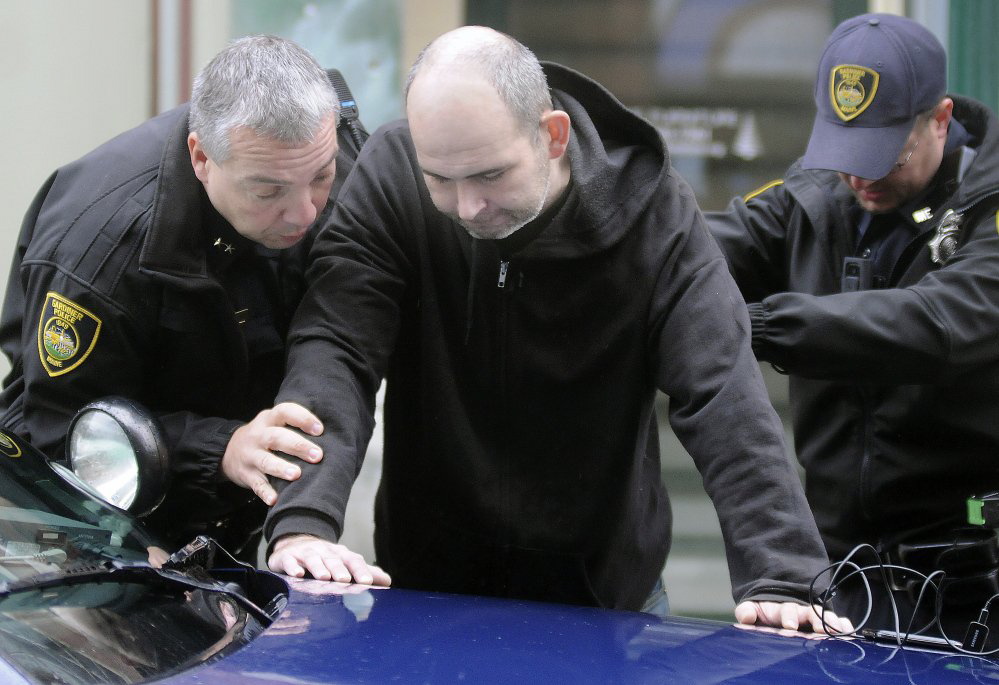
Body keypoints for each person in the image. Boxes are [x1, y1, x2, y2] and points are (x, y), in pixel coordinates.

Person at [258, 25, 849, 632]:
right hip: (428, 591)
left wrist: (782, 573)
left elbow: (723, 388)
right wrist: (304, 519)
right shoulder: (391, 177)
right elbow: (337, 347)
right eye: (441, 179)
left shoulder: (653, 216)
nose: (467, 208)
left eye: (489, 176)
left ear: (552, 136)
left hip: (605, 598)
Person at [0, 35, 366, 560]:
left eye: (321, 178)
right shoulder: (100, 249)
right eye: (267, 192)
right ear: (201, 157)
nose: (304, 213)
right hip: (112, 522)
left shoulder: (322, 143)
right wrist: (221, 447)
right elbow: (59, 430)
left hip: (245, 503)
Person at [707, 13, 999, 636]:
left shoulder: (988, 209)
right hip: (839, 575)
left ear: (940, 119)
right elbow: (698, 250)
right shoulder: (815, 193)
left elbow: (934, 321)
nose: (860, 177)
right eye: (846, 152)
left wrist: (756, 326)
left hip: (976, 581)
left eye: (883, 155)